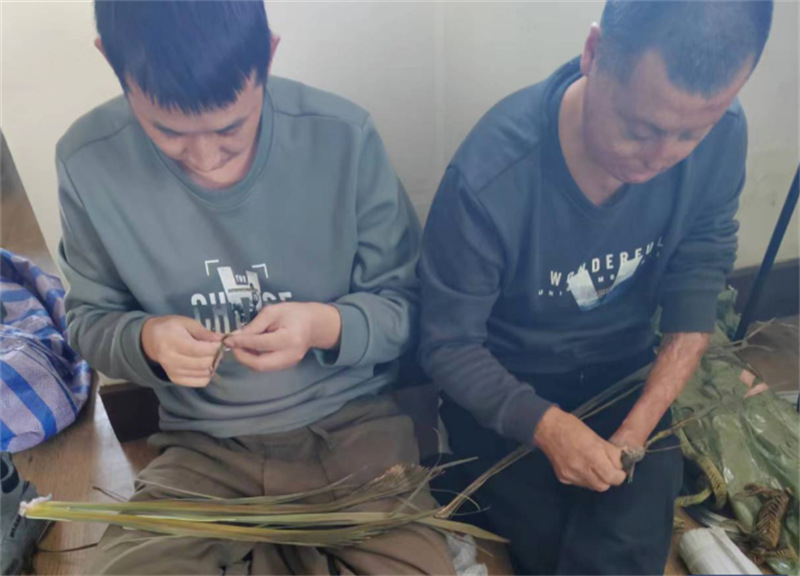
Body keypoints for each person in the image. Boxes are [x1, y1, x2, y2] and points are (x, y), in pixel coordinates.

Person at [58, 1, 454, 574]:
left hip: (352, 429)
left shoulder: (343, 138)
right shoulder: (86, 163)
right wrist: (145, 339)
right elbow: (88, 320)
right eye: (167, 131)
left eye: (230, 127)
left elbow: (410, 307)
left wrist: (324, 326)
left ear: (267, 54)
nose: (206, 160)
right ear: (112, 63)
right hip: (204, 449)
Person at [418, 1, 774, 574]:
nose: (661, 159)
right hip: (509, 387)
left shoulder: (724, 135)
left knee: (625, 537)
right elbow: (447, 344)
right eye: (640, 129)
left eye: (691, 134)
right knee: (551, 535)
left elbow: (699, 278)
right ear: (593, 54)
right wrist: (550, 428)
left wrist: (635, 434)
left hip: (623, 377)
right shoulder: (491, 176)